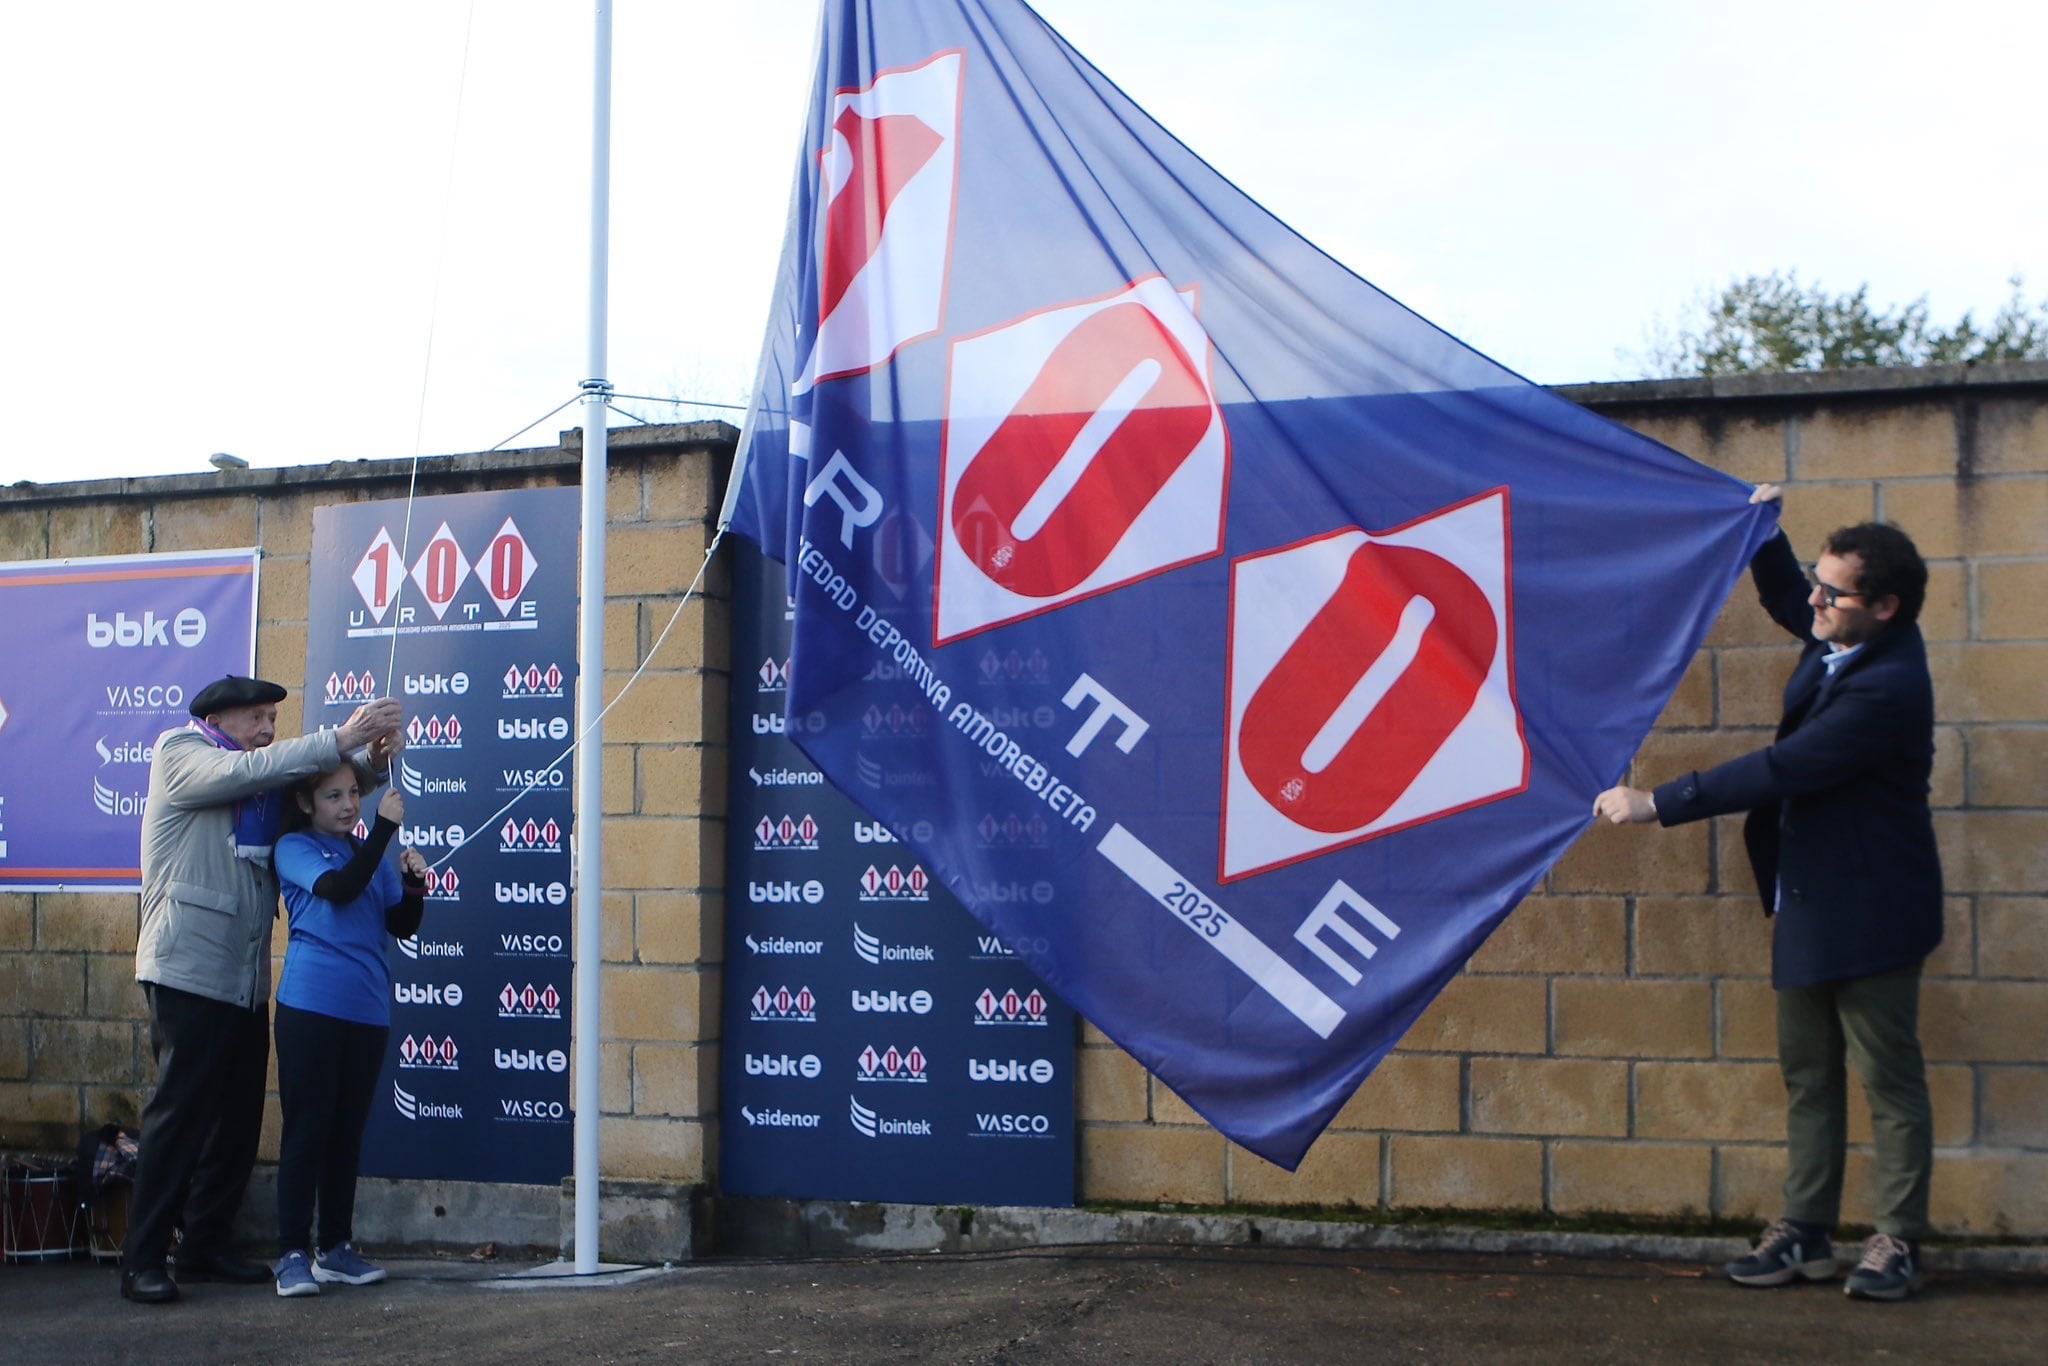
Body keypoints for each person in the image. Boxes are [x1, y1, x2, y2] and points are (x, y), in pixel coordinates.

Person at [1594, 485, 1941, 1302]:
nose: (1816, 600)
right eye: (1820, 581)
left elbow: (1786, 767)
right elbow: (1791, 597)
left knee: (1887, 1076)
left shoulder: (1887, 688)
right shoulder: (1838, 637)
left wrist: (1657, 804)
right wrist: (1761, 530)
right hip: (1807, 898)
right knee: (1809, 1073)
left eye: (1836, 590)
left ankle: (1898, 1240)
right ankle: (1806, 1233)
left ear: (1884, 607)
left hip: (1876, 906)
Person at [121, 676, 402, 1305]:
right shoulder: (180, 753)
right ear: (220, 719)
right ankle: (141, 1258)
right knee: (180, 1114)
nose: (270, 730)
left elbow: (318, 791)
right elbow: (263, 772)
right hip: (187, 968)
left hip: (243, 979)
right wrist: (340, 737)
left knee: (241, 1118)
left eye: (274, 718)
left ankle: (205, 1246)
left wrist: (371, 761)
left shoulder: (264, 780)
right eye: (258, 718)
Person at [269, 759, 426, 1298]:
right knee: (307, 1131)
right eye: (333, 796)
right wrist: (383, 829)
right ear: (308, 803)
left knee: (345, 1137)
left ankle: (335, 1248)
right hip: (310, 1006)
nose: (348, 804)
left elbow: (399, 923)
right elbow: (336, 889)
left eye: (353, 793)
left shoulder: (370, 851)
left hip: (367, 1011)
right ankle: (291, 1252)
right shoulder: (293, 847)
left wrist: (413, 884)